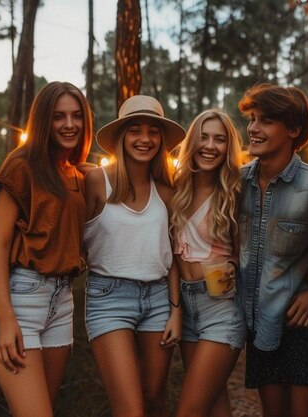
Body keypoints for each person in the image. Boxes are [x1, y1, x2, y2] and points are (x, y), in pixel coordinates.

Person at [0, 81, 93, 417]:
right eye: (59, 116)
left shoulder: (76, 174)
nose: (69, 124)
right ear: (44, 120)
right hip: (22, 301)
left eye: (76, 116)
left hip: (62, 302)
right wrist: (6, 319)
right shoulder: (22, 165)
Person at [82, 95, 185, 417]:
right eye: (135, 130)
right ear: (122, 136)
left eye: (153, 131)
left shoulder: (166, 191)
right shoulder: (97, 181)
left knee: (155, 399)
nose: (145, 139)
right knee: (130, 409)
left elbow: (171, 259)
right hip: (108, 298)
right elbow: (71, 239)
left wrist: (175, 311)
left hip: (157, 299)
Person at [236, 84, 308, 417]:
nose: (253, 128)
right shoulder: (238, 182)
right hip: (258, 323)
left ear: (294, 130)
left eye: (265, 121)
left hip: (300, 325)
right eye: (252, 119)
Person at [170, 109, 246, 417]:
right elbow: (172, 259)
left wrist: (232, 266)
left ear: (229, 148)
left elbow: (249, 250)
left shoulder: (235, 190)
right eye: (203, 137)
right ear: (192, 142)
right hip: (186, 308)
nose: (210, 146)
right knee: (214, 404)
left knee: (189, 409)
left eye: (219, 139)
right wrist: (175, 309)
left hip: (221, 306)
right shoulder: (176, 188)